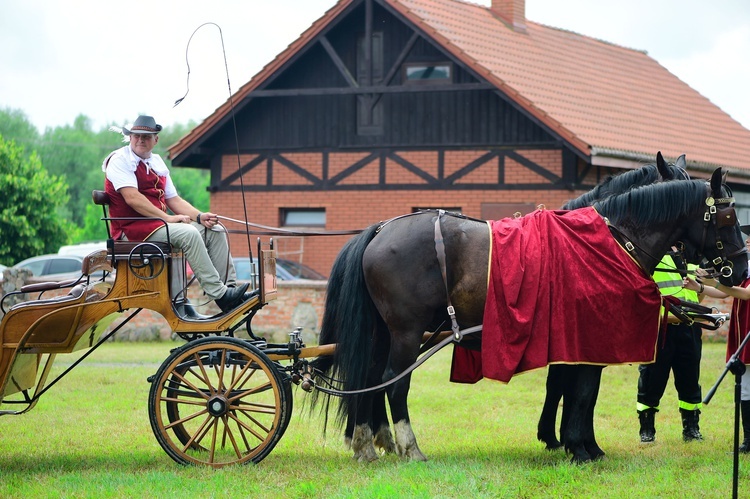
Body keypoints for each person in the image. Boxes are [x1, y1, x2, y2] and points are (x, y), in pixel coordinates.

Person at [102, 115, 250, 314]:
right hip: (132, 230)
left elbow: (174, 200)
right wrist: (168, 218)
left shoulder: (156, 162)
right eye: (137, 135)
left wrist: (199, 217)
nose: (140, 140)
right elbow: (132, 198)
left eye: (146, 136)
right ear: (130, 137)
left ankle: (230, 293)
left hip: (157, 226)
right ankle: (220, 294)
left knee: (214, 230)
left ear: (156, 139)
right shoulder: (120, 160)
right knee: (188, 234)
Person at [637, 248, 704, 443]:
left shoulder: (692, 254)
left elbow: (697, 294)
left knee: (690, 379)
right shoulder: (653, 251)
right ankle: (646, 429)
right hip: (660, 327)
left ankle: (691, 428)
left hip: (689, 328)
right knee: (651, 378)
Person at [697, 230, 750, 452]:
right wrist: (699, 286)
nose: (746, 241)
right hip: (743, 335)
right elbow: (727, 294)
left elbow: (746, 295)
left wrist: (715, 283)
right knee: (746, 388)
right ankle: (748, 441)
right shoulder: (745, 270)